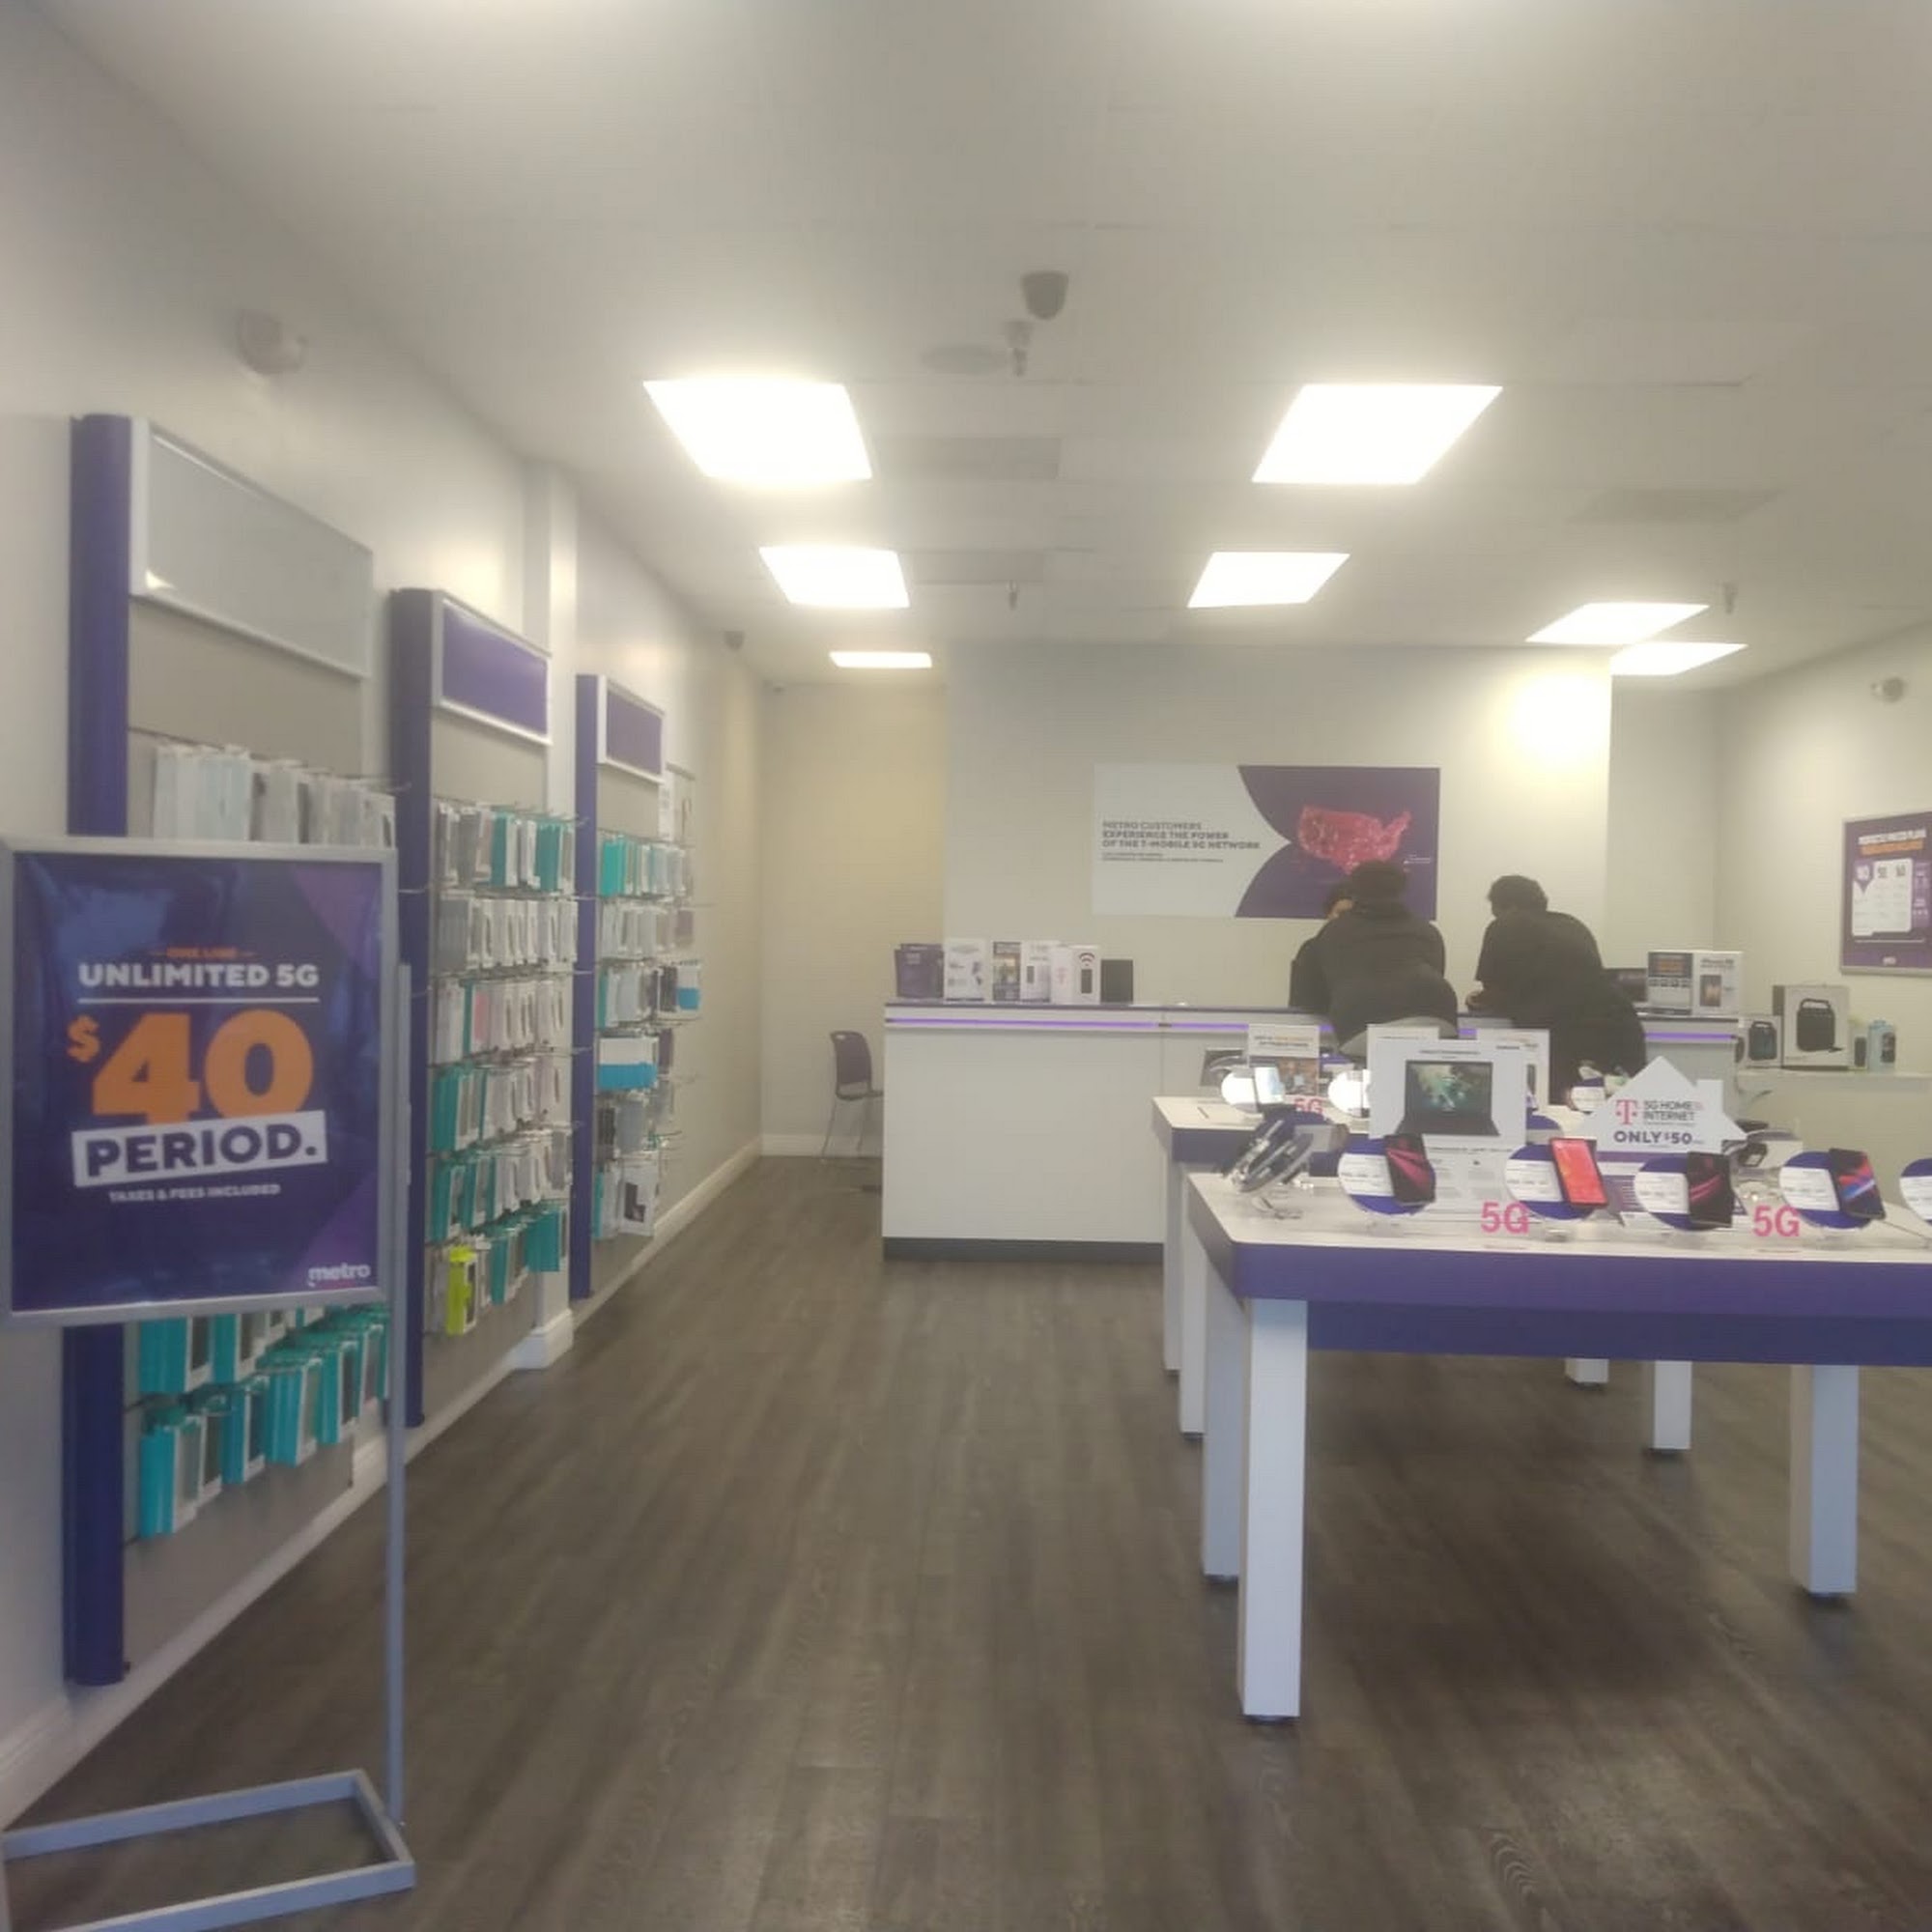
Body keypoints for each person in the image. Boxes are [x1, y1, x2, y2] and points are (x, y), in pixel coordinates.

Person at [1470, 874, 1647, 1096]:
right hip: (1621, 1025)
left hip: (1564, 1035)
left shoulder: (1503, 926)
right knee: (1616, 1105)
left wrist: (1476, 1000)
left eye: (1495, 908)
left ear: (1509, 907)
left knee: (1560, 1106)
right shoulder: (1572, 924)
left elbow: (1494, 992)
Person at [1290, 861, 1458, 1054]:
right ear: (1401, 889)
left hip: (1361, 1023)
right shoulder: (1426, 930)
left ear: (1354, 890)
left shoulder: (1333, 932)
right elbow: (1437, 970)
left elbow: (1312, 999)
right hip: (1437, 1015)